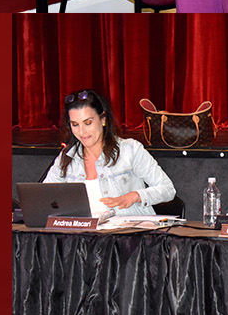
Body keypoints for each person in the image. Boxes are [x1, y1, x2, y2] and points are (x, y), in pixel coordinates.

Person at [42, 89, 175, 218]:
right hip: (84, 236)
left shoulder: (130, 149)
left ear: (103, 119)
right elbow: (44, 197)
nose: (82, 132)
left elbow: (167, 189)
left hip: (128, 235)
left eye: (88, 123)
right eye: (75, 125)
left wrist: (135, 196)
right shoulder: (67, 157)